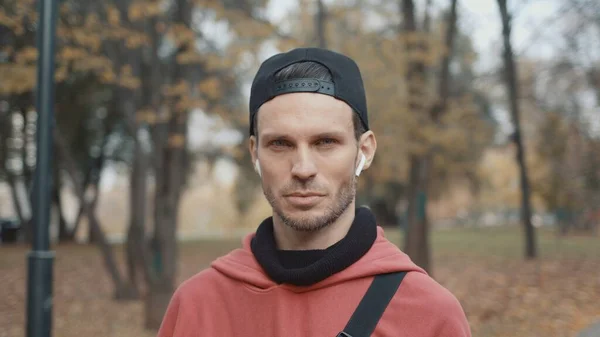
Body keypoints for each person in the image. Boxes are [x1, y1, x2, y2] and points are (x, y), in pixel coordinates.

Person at [157, 47, 471, 337]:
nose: (303, 168)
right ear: (255, 153)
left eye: (325, 142)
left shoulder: (428, 314)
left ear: (365, 150)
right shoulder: (198, 306)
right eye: (280, 143)